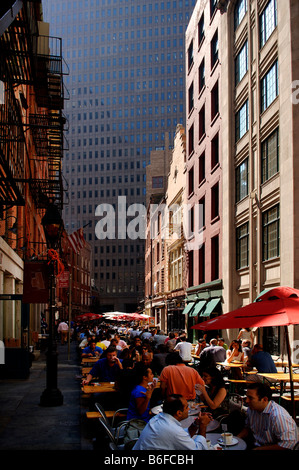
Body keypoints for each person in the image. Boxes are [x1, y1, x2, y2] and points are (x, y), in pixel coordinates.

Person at [132, 394, 212, 450]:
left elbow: (182, 437)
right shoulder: (172, 430)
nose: (188, 410)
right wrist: (203, 425)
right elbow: (198, 448)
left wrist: (196, 423)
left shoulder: (158, 418)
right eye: (187, 407)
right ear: (179, 413)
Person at [237, 382, 298, 450]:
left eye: (250, 398)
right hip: (256, 445)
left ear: (265, 399)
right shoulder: (252, 409)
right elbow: (247, 427)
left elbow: (288, 444)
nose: (247, 401)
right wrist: (235, 439)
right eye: (246, 397)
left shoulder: (278, 416)